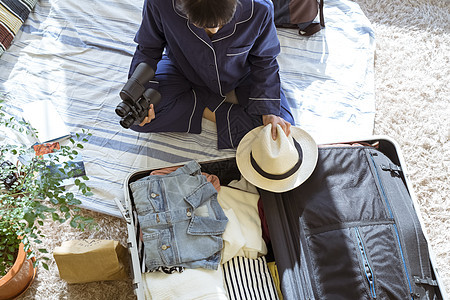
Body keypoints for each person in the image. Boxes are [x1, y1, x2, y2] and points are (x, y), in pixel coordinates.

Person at [128, 0, 294, 149]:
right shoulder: (160, 4)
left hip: (241, 76)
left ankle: (198, 108)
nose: (214, 30)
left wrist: (269, 112)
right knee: (138, 119)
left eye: (221, 24)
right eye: (202, 25)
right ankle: (210, 110)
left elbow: (264, 60)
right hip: (184, 70)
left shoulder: (260, 8)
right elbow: (148, 49)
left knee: (282, 130)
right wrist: (140, 97)